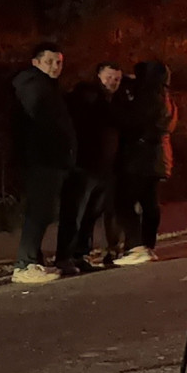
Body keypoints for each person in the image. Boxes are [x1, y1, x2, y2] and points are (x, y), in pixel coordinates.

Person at [10, 42, 76, 284]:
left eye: (58, 62)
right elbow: (43, 123)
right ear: (35, 62)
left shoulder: (48, 87)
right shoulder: (32, 85)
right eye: (49, 61)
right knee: (40, 212)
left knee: (43, 211)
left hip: (50, 159)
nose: (55, 66)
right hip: (41, 158)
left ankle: (33, 262)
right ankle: (24, 264)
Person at [56, 63, 123, 272]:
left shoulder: (109, 101)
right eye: (109, 77)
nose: (113, 82)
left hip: (104, 166)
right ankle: (65, 256)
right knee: (75, 212)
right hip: (84, 165)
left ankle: (79, 255)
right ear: (98, 76)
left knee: (90, 214)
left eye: (117, 79)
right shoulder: (88, 97)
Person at [112, 61, 177, 266]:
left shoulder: (147, 97)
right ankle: (148, 245)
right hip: (159, 157)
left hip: (141, 157)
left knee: (123, 201)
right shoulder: (165, 98)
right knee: (149, 202)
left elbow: (130, 121)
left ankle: (136, 246)